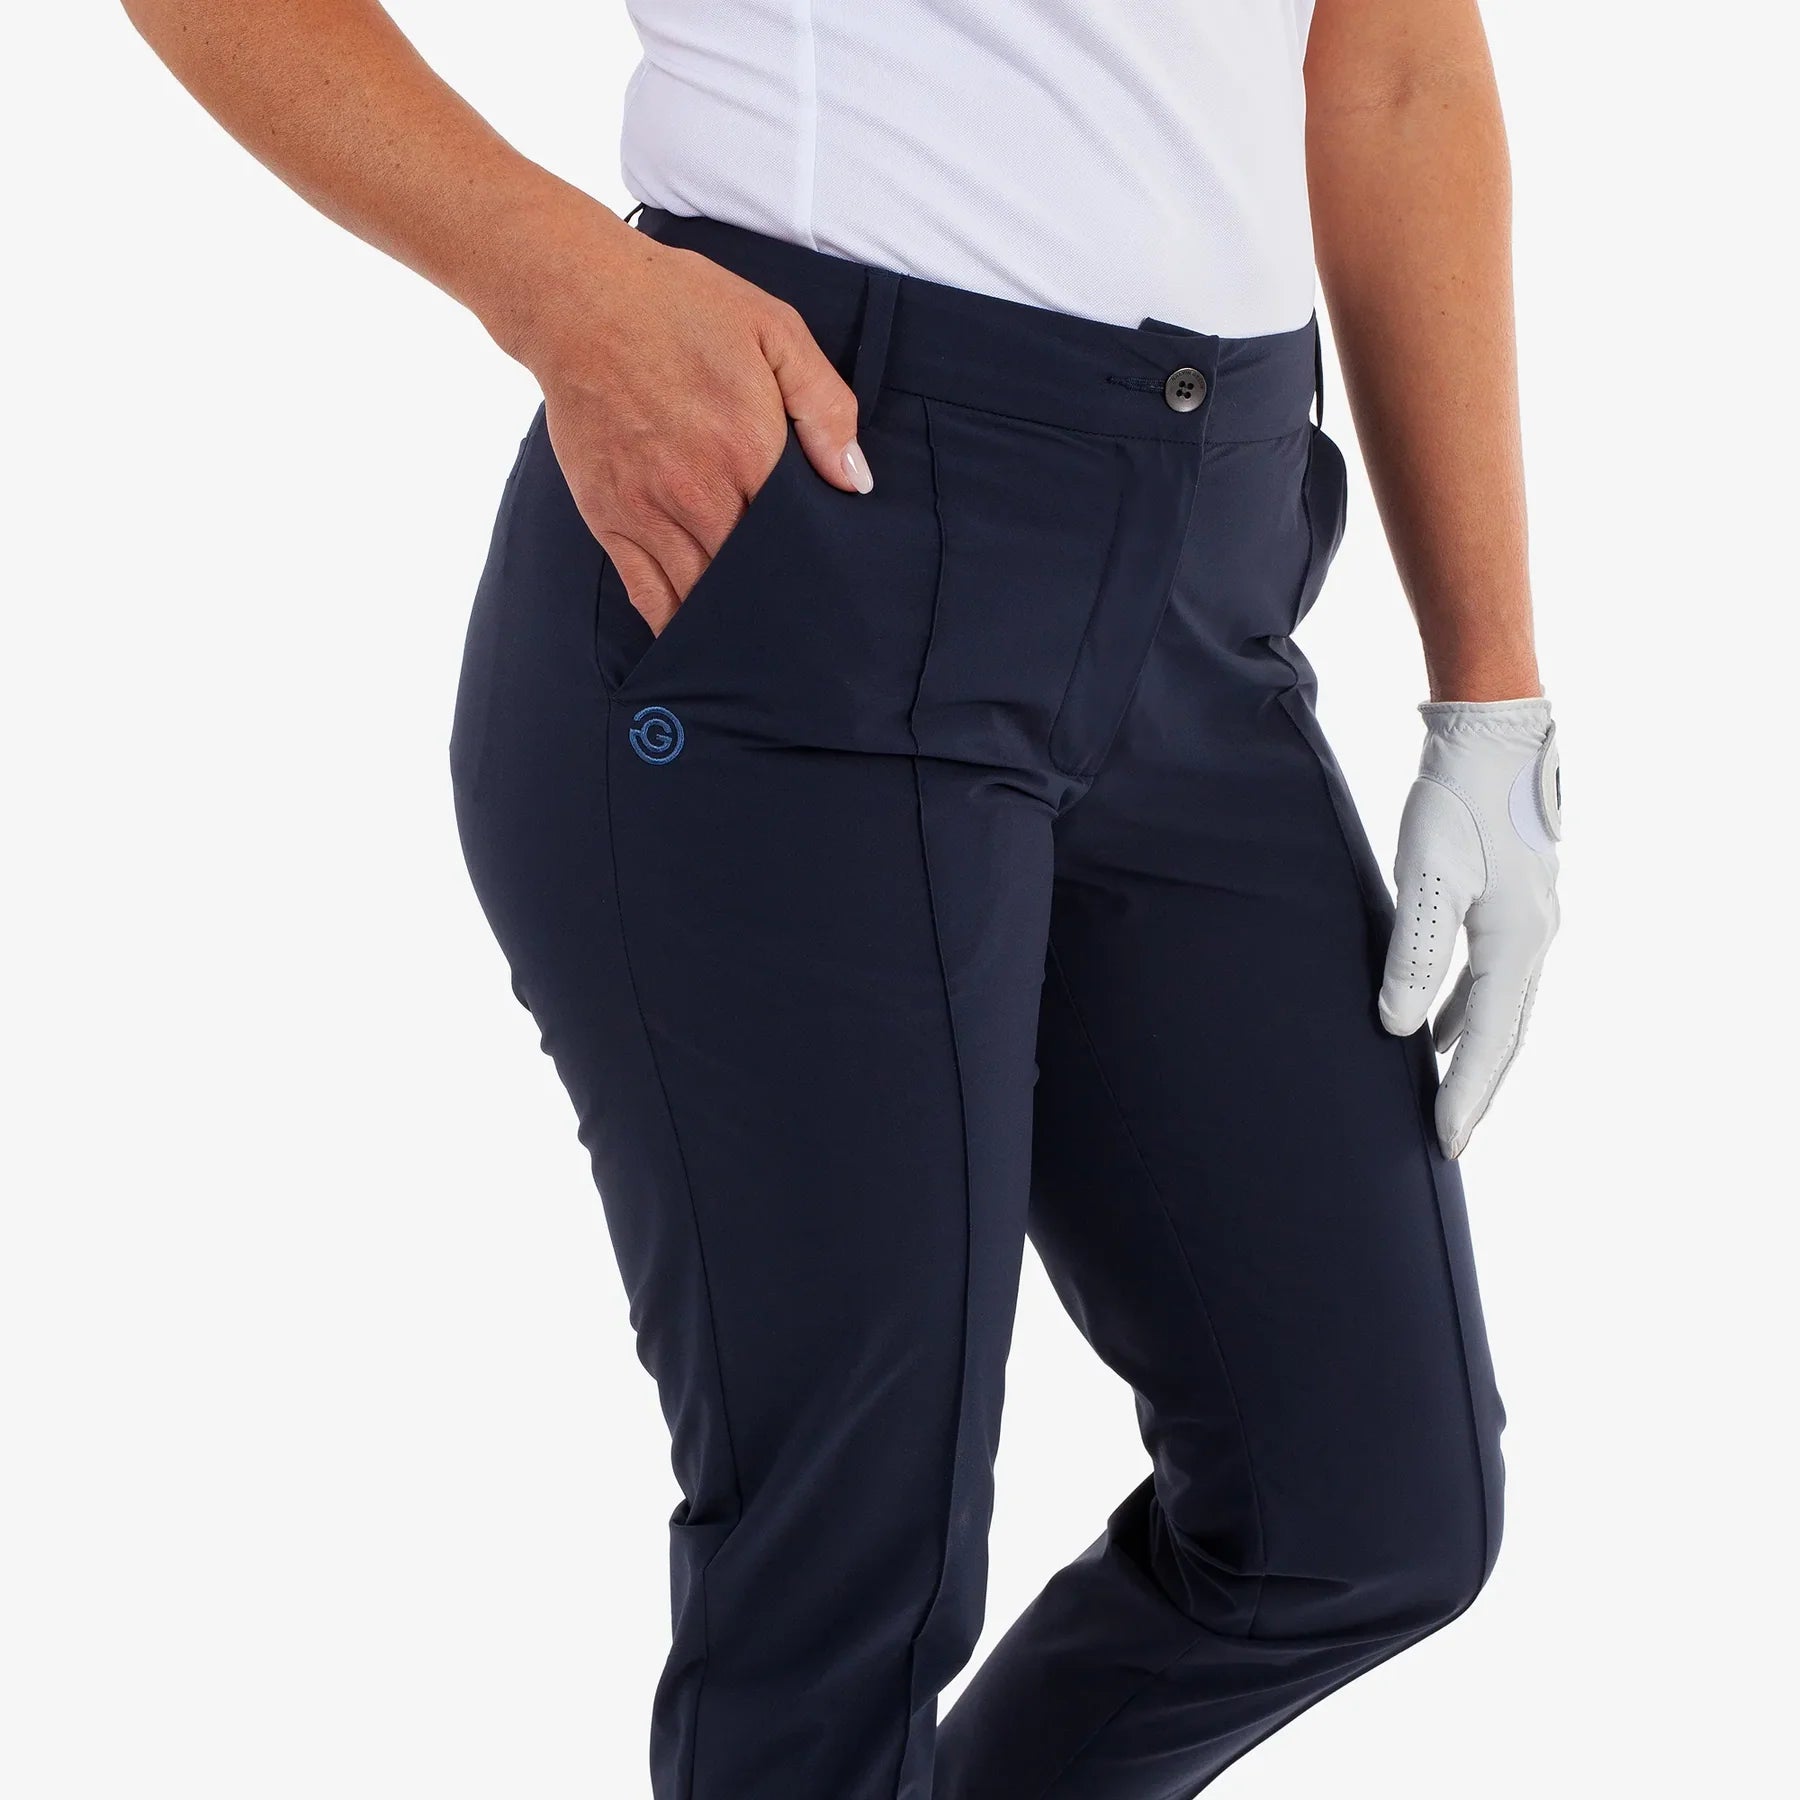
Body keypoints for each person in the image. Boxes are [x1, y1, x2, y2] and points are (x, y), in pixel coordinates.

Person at [122, 2, 1561, 1794]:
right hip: (800, 540)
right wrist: (561, 286)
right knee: (843, 1592)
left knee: (1361, 1507)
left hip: (1209, 582)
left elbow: (1396, 64)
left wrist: (1492, 697)